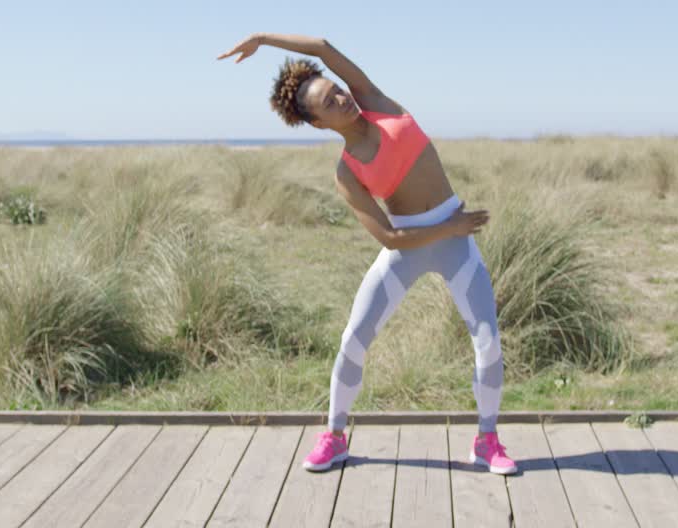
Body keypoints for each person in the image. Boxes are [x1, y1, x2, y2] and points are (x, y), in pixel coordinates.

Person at [217, 33, 517, 475]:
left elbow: (321, 47)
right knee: (354, 339)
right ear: (319, 124)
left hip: (455, 243)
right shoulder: (346, 171)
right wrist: (447, 227)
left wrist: (263, 38)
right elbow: (390, 239)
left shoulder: (376, 101)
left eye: (336, 89)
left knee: (488, 343)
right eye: (330, 103)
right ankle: (334, 437)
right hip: (413, 245)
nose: (342, 99)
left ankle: (487, 441)